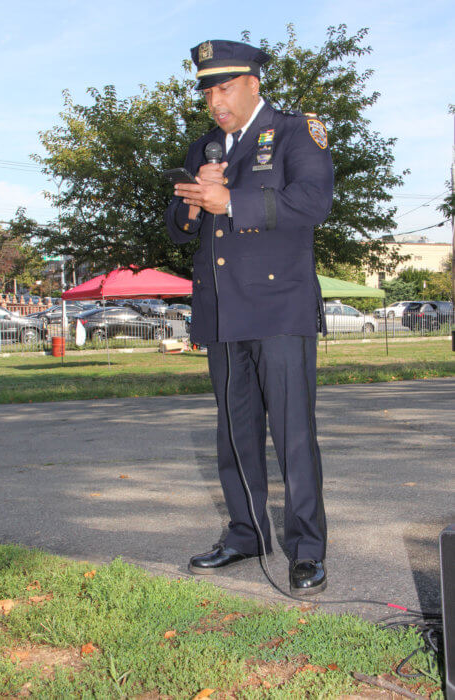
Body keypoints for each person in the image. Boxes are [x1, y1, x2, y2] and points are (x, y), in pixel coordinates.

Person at [165, 39, 334, 596]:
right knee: (234, 434)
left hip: (280, 309)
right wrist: (193, 204)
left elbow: (312, 203)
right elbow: (178, 226)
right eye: (208, 90)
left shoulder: (294, 132)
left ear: (254, 83)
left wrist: (230, 202)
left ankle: (307, 548)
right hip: (223, 311)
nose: (216, 100)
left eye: (225, 86)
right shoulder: (206, 146)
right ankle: (246, 533)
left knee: (291, 435)